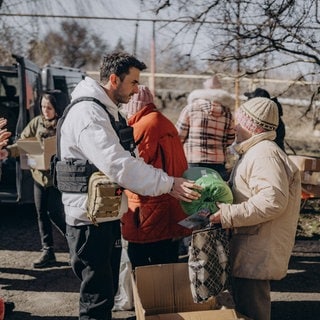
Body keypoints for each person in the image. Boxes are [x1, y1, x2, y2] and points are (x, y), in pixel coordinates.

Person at [59, 51, 201, 320]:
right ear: (114, 79)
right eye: (133, 82)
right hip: (89, 221)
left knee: (106, 291)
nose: (137, 90)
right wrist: (168, 184)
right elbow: (118, 165)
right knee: (96, 299)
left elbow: (128, 159)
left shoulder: (107, 111)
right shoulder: (89, 114)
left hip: (104, 215)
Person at [209, 97, 301, 320]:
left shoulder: (265, 154)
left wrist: (228, 214)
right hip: (251, 246)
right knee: (244, 308)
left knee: (253, 311)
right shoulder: (256, 151)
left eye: (239, 120)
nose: (235, 126)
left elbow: (272, 201)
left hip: (257, 250)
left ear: (253, 124)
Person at [120, 85, 192, 268]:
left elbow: (133, 168)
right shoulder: (163, 121)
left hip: (148, 205)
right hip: (171, 201)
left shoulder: (143, 126)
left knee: (140, 263)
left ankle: (146, 297)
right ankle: (167, 297)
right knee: (167, 263)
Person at [1, 91, 69, 268]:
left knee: (55, 213)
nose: (45, 111)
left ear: (57, 108)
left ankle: (74, 243)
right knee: (41, 214)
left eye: (49, 107)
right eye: (43, 107)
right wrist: (8, 151)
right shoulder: (36, 123)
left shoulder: (65, 125)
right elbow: (23, 143)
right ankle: (48, 251)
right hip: (39, 177)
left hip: (57, 179)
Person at [176, 87, 235, 181]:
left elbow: (179, 136)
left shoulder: (191, 108)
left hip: (194, 160)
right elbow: (230, 140)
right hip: (218, 162)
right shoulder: (228, 114)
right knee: (216, 192)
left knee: (193, 191)